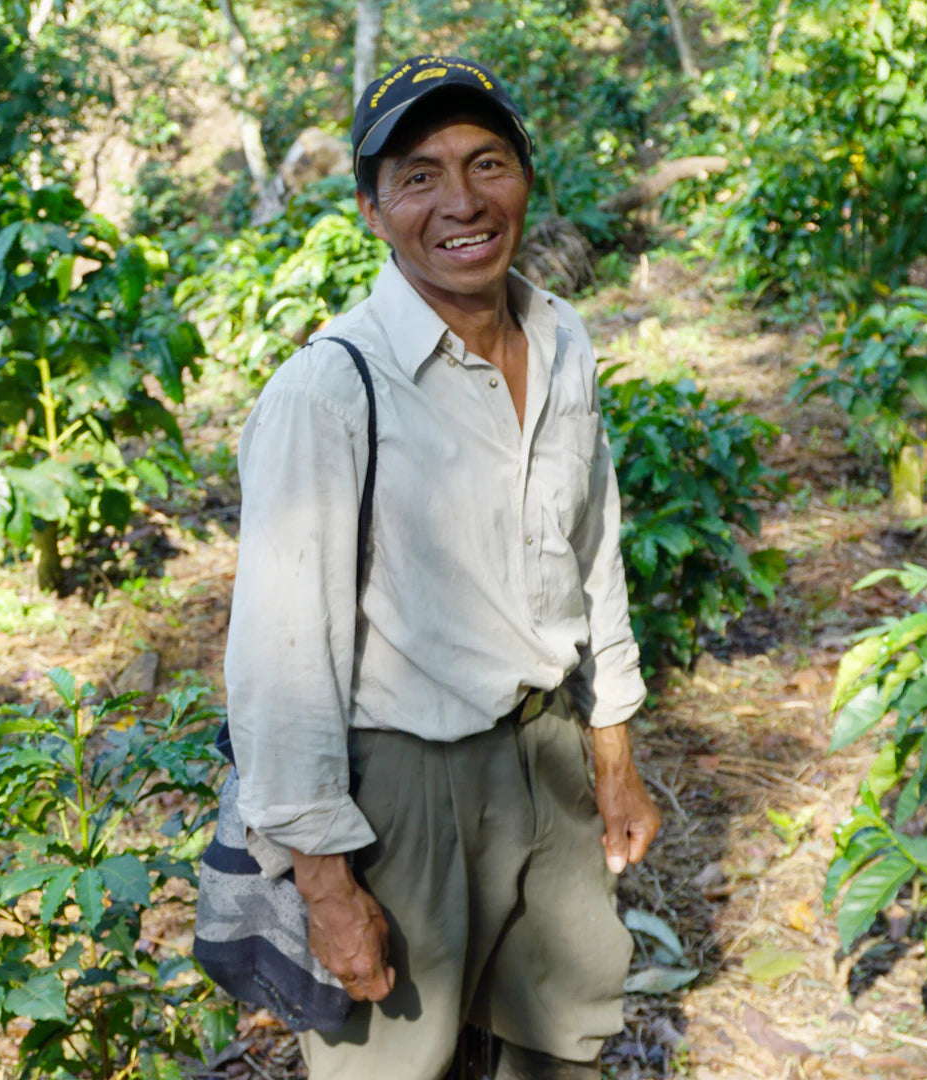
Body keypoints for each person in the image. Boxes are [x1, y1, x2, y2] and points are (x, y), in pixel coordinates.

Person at [223, 54, 661, 1080]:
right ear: (372, 209)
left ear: (526, 180)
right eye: (419, 176)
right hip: (401, 788)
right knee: (391, 1061)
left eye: (487, 162)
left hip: (544, 750)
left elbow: (593, 550)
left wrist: (612, 741)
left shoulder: (561, 338)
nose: (461, 201)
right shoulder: (329, 390)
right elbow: (282, 664)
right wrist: (325, 887)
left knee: (565, 1031)